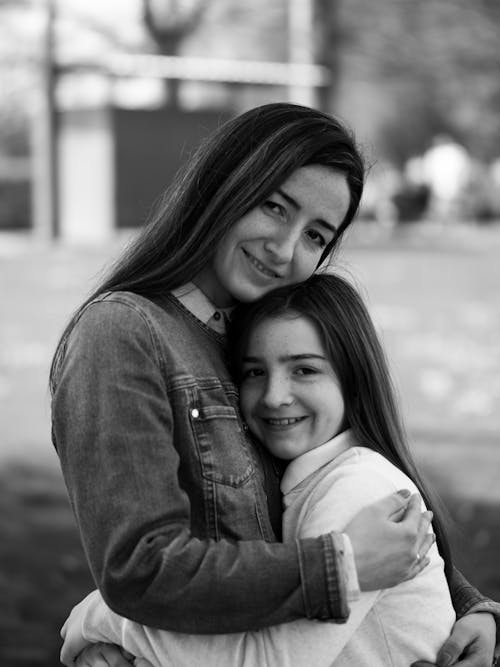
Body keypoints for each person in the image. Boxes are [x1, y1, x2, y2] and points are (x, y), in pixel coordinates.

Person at [50, 103, 499, 667]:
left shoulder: (256, 336)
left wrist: (469, 607)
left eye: (315, 235)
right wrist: (340, 570)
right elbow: (141, 568)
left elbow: (343, 493)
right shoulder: (124, 334)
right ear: (223, 187)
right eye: (273, 207)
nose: (286, 250)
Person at [60, 272, 459, 666]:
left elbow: (265, 660)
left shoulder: (357, 489)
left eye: (304, 369)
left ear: (353, 380)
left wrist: (105, 617)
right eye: (255, 372)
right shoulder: (307, 478)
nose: (274, 396)